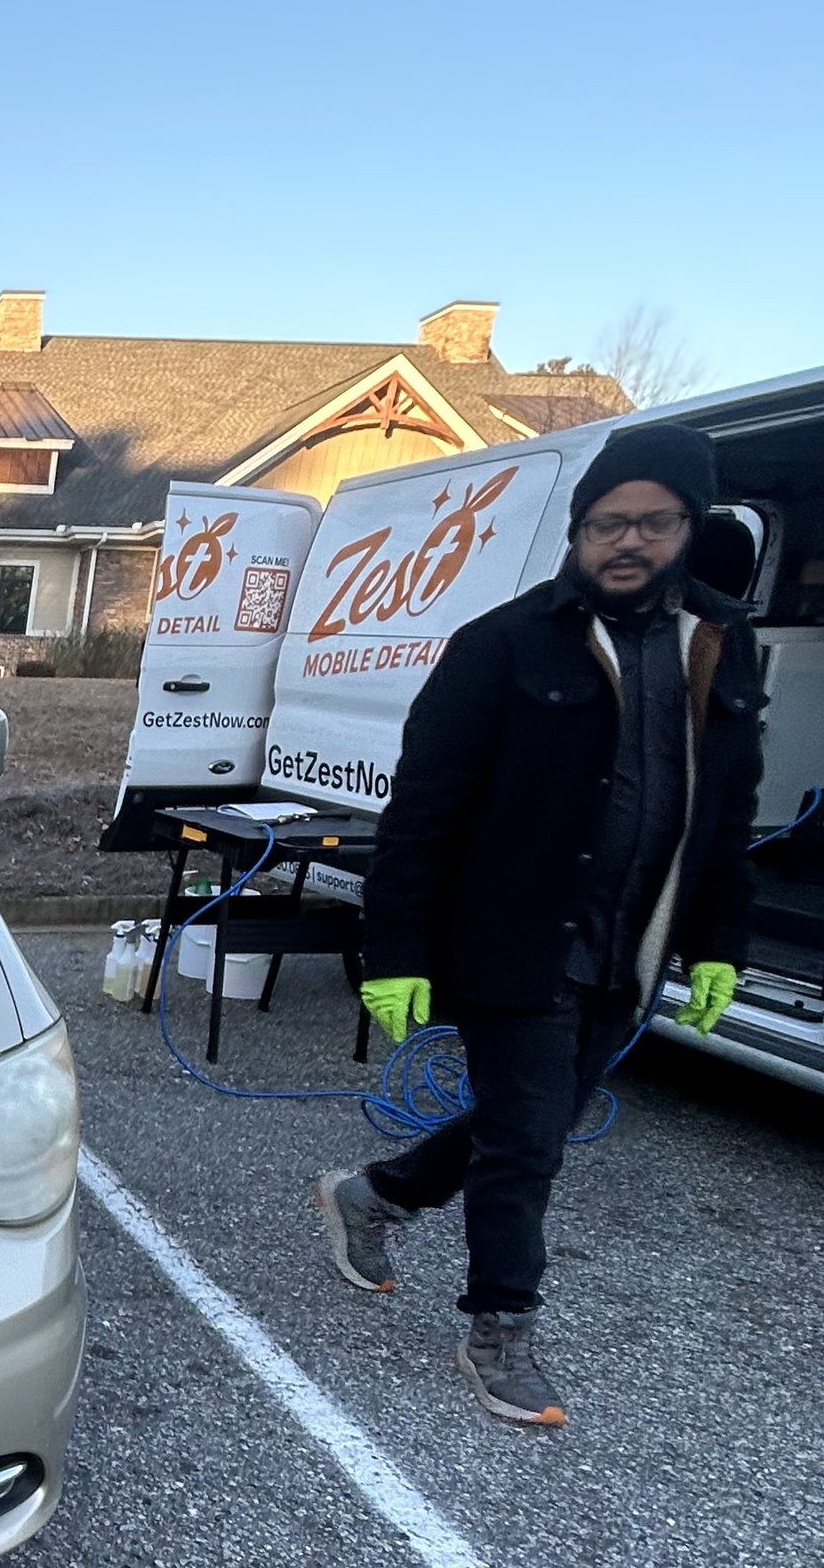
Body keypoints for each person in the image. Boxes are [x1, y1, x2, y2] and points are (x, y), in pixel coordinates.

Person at [314, 421, 764, 1426]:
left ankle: (375, 1196)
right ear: (578, 530)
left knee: (538, 1120)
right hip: (516, 941)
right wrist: (392, 952)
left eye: (653, 521)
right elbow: (421, 812)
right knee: (527, 1145)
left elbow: (725, 815)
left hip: (630, 943)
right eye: (606, 522)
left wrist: (719, 944)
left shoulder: (719, 648)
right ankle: (500, 1328)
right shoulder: (503, 645)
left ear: (691, 528)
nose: (628, 541)